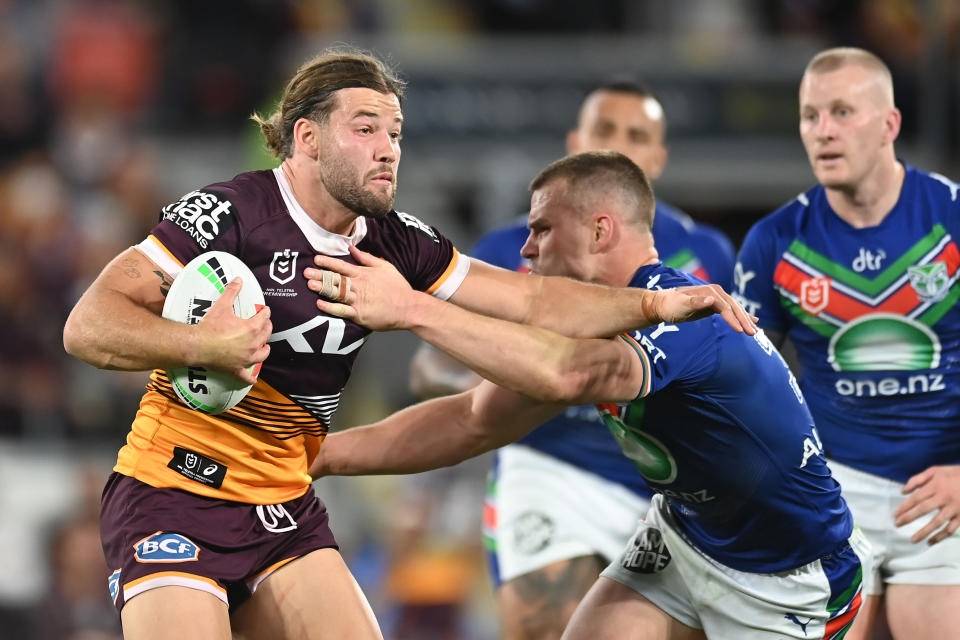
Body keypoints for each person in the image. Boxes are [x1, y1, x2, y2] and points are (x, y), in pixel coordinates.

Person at [61, 48, 752, 640]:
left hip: (281, 503)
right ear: (307, 138)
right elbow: (86, 325)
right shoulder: (232, 213)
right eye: (366, 129)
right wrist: (204, 346)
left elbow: (531, 300)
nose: (389, 146)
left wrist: (653, 303)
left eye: (395, 131)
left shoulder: (398, 241)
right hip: (171, 488)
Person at [308, 150, 871, 639]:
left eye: (543, 229)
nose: (526, 250)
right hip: (686, 538)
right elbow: (472, 421)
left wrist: (410, 309)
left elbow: (571, 376)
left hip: (790, 577)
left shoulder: (686, 314)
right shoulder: (593, 319)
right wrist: (316, 455)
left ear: (600, 232)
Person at [409, 81, 736, 640]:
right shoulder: (511, 248)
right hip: (550, 468)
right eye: (605, 131)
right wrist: (489, 371)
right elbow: (427, 368)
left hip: (663, 483)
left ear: (658, 158)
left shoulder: (707, 255)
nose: (621, 145)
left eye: (638, 136)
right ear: (575, 146)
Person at [733, 46, 960, 640]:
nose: (823, 132)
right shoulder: (773, 242)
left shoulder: (954, 220)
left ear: (890, 124)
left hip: (943, 490)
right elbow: (742, 381)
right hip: (833, 495)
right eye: (811, 116)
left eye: (841, 112)